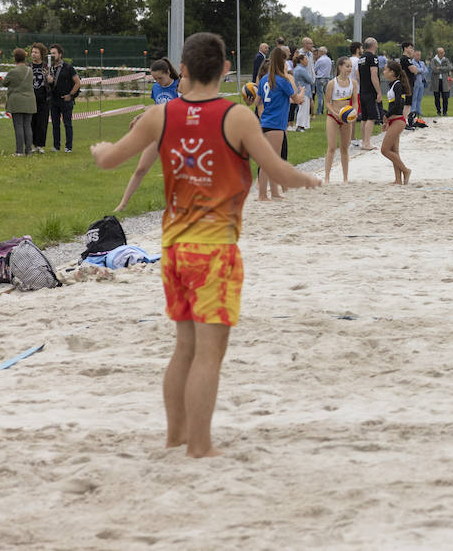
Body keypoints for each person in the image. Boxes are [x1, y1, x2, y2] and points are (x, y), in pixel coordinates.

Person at [92, 31, 319, 458]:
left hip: (174, 248)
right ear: (226, 70)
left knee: (184, 348)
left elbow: (109, 159)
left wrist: (99, 146)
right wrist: (307, 179)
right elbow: (279, 170)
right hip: (214, 249)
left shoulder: (160, 115)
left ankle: (175, 435)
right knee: (209, 356)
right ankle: (199, 445)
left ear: (182, 70)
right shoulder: (236, 117)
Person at [114, 58, 181, 213]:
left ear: (168, 73)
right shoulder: (156, 88)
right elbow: (156, 107)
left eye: (160, 78)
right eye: (155, 79)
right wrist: (139, 117)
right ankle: (122, 204)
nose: (158, 82)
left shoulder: (179, 86)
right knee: (141, 169)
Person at [256, 47, 305, 200]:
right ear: (282, 61)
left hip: (265, 122)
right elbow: (296, 100)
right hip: (276, 124)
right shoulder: (282, 80)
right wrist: (302, 91)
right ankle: (264, 194)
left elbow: (258, 101)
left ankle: (274, 192)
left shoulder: (265, 79)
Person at [323, 56, 358, 184]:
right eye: (347, 66)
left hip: (346, 118)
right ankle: (327, 177)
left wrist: (353, 113)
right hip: (333, 116)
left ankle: (345, 178)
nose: (350, 69)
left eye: (350, 66)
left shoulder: (353, 83)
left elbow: (355, 102)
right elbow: (327, 102)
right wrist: (334, 113)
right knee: (331, 147)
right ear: (340, 67)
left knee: (344, 148)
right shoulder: (332, 83)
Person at [379, 61, 412, 185]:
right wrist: (387, 120)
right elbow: (393, 104)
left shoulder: (397, 85)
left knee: (384, 150)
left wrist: (386, 115)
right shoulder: (393, 84)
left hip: (398, 120)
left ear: (392, 72)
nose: (384, 71)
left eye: (386, 69)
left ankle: (406, 170)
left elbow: (398, 105)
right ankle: (398, 180)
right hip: (393, 120)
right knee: (394, 152)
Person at [3, 48, 36, 156]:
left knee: (18, 126)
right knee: (27, 126)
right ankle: (29, 150)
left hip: (17, 101)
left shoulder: (13, 71)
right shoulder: (30, 70)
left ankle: (19, 151)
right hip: (30, 101)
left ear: (15, 58)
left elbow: (5, 83)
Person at [48, 43, 81, 152]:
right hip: (54, 100)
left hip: (66, 100)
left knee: (67, 124)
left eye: (54, 53)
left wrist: (71, 95)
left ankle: (68, 147)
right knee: (55, 124)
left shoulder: (68, 67)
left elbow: (77, 82)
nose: (52, 55)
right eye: (51, 53)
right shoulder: (50, 68)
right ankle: (56, 146)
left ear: (60, 54)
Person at [30, 42, 50, 153]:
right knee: (31, 122)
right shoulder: (28, 66)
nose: (33, 54)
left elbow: (52, 83)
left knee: (42, 123)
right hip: (30, 99)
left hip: (43, 99)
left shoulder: (47, 66)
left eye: (36, 52)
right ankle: (33, 145)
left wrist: (50, 80)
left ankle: (40, 145)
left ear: (41, 54)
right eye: (32, 52)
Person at [291, 52, 313, 131]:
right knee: (303, 109)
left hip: (301, 90)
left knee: (305, 109)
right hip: (303, 91)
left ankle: (305, 125)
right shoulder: (301, 70)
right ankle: (300, 125)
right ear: (301, 60)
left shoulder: (298, 68)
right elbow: (310, 80)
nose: (307, 61)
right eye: (306, 59)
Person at [313, 45, 332, 116]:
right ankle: (328, 110)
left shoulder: (320, 60)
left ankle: (320, 111)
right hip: (327, 78)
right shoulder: (329, 59)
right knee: (327, 96)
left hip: (320, 78)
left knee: (320, 96)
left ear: (321, 52)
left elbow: (314, 69)